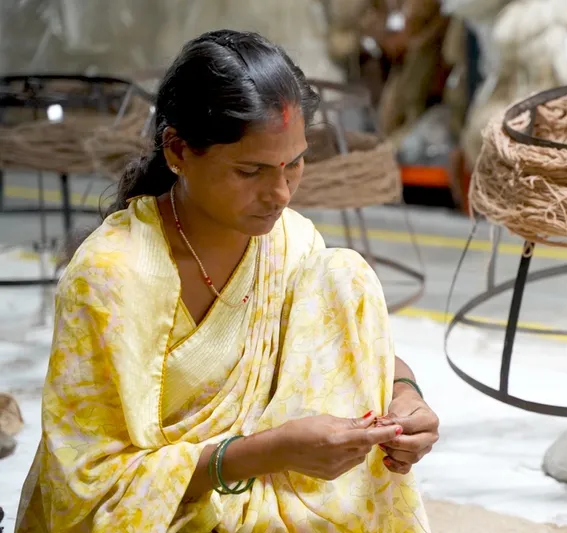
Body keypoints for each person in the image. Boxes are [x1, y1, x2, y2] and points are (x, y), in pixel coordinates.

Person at [15, 29, 438, 532]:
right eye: (251, 171)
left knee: (346, 276)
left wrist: (405, 396)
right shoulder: (111, 276)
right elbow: (89, 487)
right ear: (177, 149)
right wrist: (265, 452)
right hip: (154, 512)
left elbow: (349, 344)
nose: (280, 193)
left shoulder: (290, 243)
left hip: (263, 482)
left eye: (294, 163)